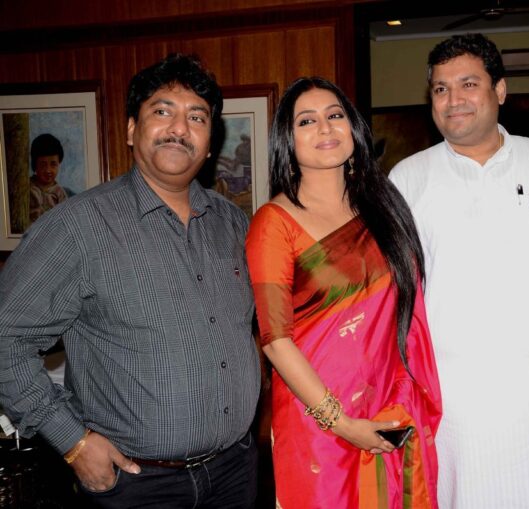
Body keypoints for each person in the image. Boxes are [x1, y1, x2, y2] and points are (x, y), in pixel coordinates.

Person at [0, 54, 260, 508]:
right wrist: (73, 441)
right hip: (137, 486)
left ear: (209, 139)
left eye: (196, 117)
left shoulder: (233, 223)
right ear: (130, 130)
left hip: (236, 473)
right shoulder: (77, 227)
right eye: (162, 111)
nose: (180, 128)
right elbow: (5, 337)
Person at [390, 33, 529, 508]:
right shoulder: (406, 179)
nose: (453, 100)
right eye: (440, 89)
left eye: (468, 84)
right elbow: (393, 296)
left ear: (500, 91)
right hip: (454, 399)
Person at [245, 77, 441, 508]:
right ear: (287, 140)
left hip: (390, 406)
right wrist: (342, 423)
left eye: (335, 116)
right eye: (307, 121)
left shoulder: (383, 205)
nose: (326, 128)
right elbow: (276, 341)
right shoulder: (273, 223)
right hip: (318, 422)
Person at [29, 133, 69, 222]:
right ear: (35, 165)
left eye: (53, 164)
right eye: (43, 165)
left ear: (59, 164)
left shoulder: (60, 193)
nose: (48, 170)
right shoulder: (28, 187)